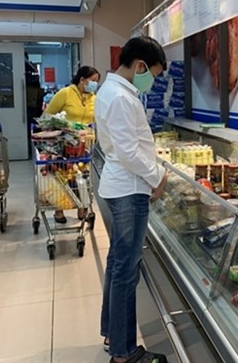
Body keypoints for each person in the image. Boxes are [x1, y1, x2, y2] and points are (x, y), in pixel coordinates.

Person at [94, 37, 168, 363]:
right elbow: (128, 152)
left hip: (117, 186)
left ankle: (113, 334)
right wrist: (157, 176)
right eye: (152, 74)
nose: (151, 81)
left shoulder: (110, 91)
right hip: (130, 189)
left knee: (117, 264)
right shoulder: (122, 98)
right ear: (139, 66)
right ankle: (124, 352)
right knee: (126, 270)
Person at [43, 65, 100, 223]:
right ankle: (58, 211)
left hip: (84, 145)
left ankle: (82, 210)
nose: (95, 84)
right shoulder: (65, 93)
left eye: (97, 82)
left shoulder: (94, 98)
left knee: (82, 178)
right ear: (82, 80)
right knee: (61, 177)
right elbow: (47, 115)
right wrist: (63, 128)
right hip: (63, 144)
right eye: (93, 81)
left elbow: (96, 119)